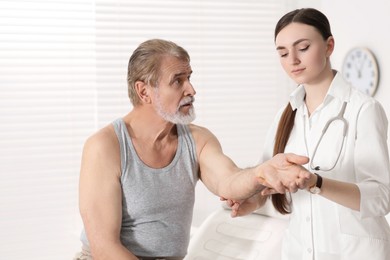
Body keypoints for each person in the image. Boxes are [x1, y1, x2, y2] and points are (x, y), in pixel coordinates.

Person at [73, 38, 311, 260]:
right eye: (178, 81)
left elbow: (228, 181)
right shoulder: (105, 147)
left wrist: (262, 172)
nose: (191, 90)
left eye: (189, 78)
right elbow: (104, 247)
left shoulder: (197, 140)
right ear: (144, 91)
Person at [228, 8, 390, 260]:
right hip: (299, 251)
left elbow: (381, 197)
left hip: (355, 253)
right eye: (282, 52)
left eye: (302, 47)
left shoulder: (363, 109)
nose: (292, 59)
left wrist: (317, 183)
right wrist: (253, 202)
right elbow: (268, 180)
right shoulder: (285, 114)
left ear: (329, 46)